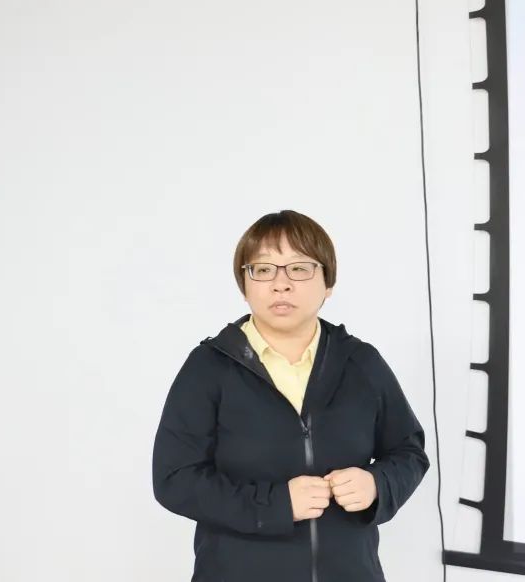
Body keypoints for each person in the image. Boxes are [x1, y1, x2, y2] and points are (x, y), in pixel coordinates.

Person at [152, 210, 429, 582]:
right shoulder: (209, 367)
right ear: (244, 284)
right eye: (263, 269)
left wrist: (378, 484)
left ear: (328, 282)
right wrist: (276, 505)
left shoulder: (361, 363)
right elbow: (174, 478)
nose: (280, 284)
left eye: (299, 269)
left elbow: (409, 451)